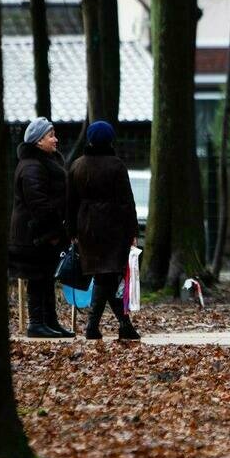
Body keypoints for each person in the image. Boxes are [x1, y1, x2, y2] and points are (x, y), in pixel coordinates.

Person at [67, 121, 140, 341]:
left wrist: (72, 230)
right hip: (113, 228)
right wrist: (132, 231)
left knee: (103, 276)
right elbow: (127, 201)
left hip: (86, 227)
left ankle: (116, 325)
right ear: (110, 140)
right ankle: (105, 325)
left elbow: (70, 202)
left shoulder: (77, 166)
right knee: (107, 276)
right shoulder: (116, 166)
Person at [9, 117, 74, 338]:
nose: (55, 139)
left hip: (42, 234)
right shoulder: (32, 167)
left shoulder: (41, 163)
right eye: (50, 135)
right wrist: (53, 232)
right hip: (34, 236)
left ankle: (50, 321)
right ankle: (36, 322)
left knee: (46, 277)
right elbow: (39, 204)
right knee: (37, 278)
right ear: (38, 141)